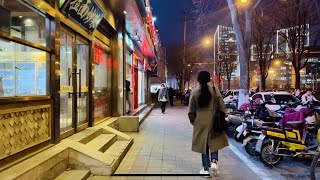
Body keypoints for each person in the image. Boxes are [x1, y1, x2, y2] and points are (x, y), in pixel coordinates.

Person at [188, 71, 229, 177]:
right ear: (209, 79)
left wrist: (194, 121)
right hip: (214, 120)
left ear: (198, 80)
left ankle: (205, 169)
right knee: (214, 141)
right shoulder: (215, 91)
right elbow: (222, 106)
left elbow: (191, 111)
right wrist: (222, 117)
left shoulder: (195, 92)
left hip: (200, 121)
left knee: (204, 145)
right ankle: (214, 162)